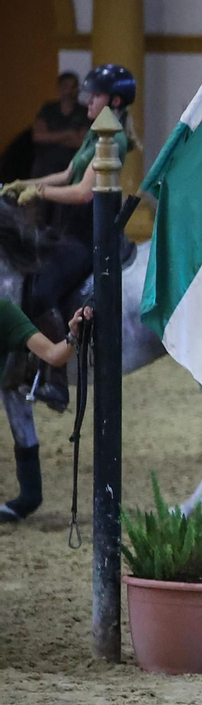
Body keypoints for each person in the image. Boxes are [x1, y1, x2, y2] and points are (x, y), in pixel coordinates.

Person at [0, 64, 136, 411]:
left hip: (89, 236)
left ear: (115, 101)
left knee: (43, 289)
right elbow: (66, 173)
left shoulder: (113, 137)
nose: (88, 100)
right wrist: (21, 185)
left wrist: (40, 194)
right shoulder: (95, 133)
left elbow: (83, 193)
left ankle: (56, 382)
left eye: (97, 95)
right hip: (69, 230)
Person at [0, 300, 90, 523]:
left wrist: (73, 335)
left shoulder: (4, 312)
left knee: (44, 293)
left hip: (48, 264)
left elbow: (53, 354)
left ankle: (55, 384)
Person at [30, 72, 90, 179]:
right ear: (59, 88)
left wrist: (52, 137)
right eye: (66, 86)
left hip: (73, 169)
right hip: (45, 169)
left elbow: (82, 141)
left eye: (73, 86)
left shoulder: (84, 112)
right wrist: (68, 134)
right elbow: (38, 136)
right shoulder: (48, 109)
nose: (69, 91)